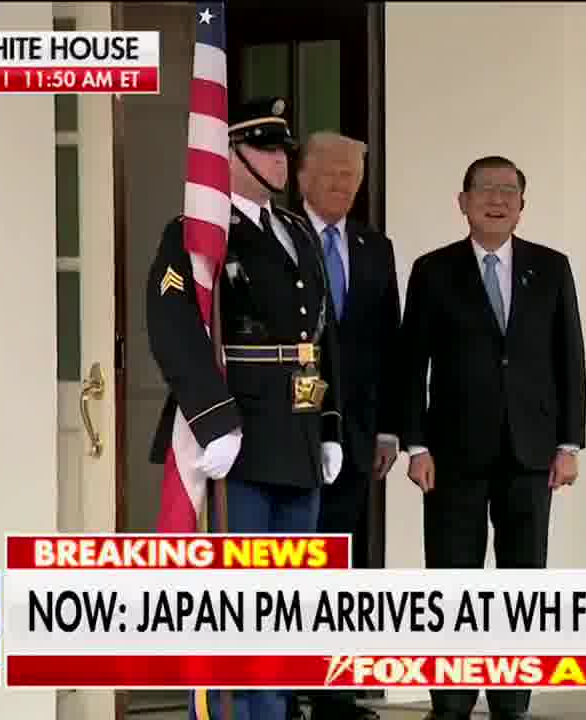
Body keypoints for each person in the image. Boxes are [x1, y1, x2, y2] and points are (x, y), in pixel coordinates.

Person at [146, 96, 345, 720]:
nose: (280, 161)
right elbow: (173, 327)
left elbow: (322, 336)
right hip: (239, 438)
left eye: (283, 149)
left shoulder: (295, 232)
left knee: (288, 607)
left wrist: (331, 425)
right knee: (243, 604)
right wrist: (213, 418)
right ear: (227, 154)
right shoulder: (197, 233)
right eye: (263, 148)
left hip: (299, 441)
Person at [399, 156, 586, 720]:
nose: (497, 199)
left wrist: (569, 445)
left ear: (522, 206)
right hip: (452, 453)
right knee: (452, 580)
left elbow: (569, 359)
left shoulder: (550, 268)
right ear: (463, 201)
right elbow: (411, 364)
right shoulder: (433, 271)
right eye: (485, 190)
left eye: (509, 191)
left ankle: (511, 700)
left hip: (531, 452)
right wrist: (416, 445)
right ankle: (451, 701)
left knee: (523, 582)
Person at [293, 132, 401, 720]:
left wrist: (388, 430)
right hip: (290, 427)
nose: (344, 185)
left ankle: (335, 696)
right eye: (332, 174)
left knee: (343, 562)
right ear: (302, 177)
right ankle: (281, 694)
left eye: (353, 176)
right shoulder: (277, 236)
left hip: (357, 434)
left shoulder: (375, 246)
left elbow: (390, 343)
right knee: (290, 563)